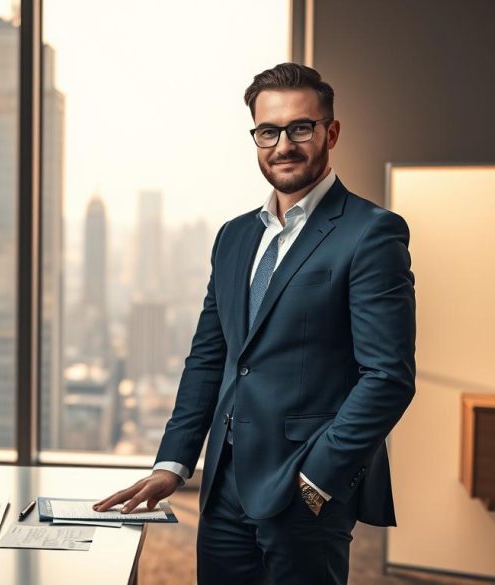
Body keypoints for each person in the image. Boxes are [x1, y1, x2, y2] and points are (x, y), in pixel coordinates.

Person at [94, 63, 416, 585]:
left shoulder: (370, 233)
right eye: (269, 131)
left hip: (304, 490)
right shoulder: (235, 237)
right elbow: (210, 358)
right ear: (256, 138)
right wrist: (173, 463)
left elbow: (388, 377)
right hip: (223, 487)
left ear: (330, 133)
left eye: (300, 128)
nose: (283, 144)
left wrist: (317, 479)